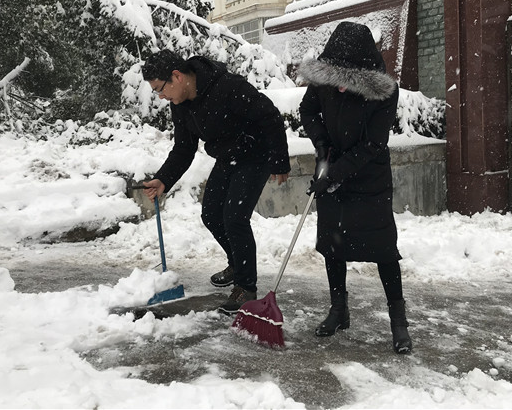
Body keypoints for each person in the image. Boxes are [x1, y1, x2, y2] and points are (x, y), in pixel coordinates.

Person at [140, 50, 290, 315]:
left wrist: (279, 159)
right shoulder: (181, 105)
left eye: (160, 89)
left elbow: (269, 116)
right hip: (227, 157)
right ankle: (238, 263)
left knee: (235, 218)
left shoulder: (228, 87)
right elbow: (184, 148)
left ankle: (245, 287)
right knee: (211, 214)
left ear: (177, 76)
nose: (161, 96)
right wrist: (163, 179)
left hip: (255, 154)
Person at [298, 21, 412, 354]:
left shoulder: (384, 92)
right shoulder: (325, 79)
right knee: (333, 245)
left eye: (346, 79)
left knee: (383, 250)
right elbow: (308, 110)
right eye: (335, 77)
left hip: (369, 177)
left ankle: (399, 322)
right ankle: (339, 310)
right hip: (332, 166)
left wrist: (335, 175)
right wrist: (322, 145)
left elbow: (373, 144)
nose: (339, 87)